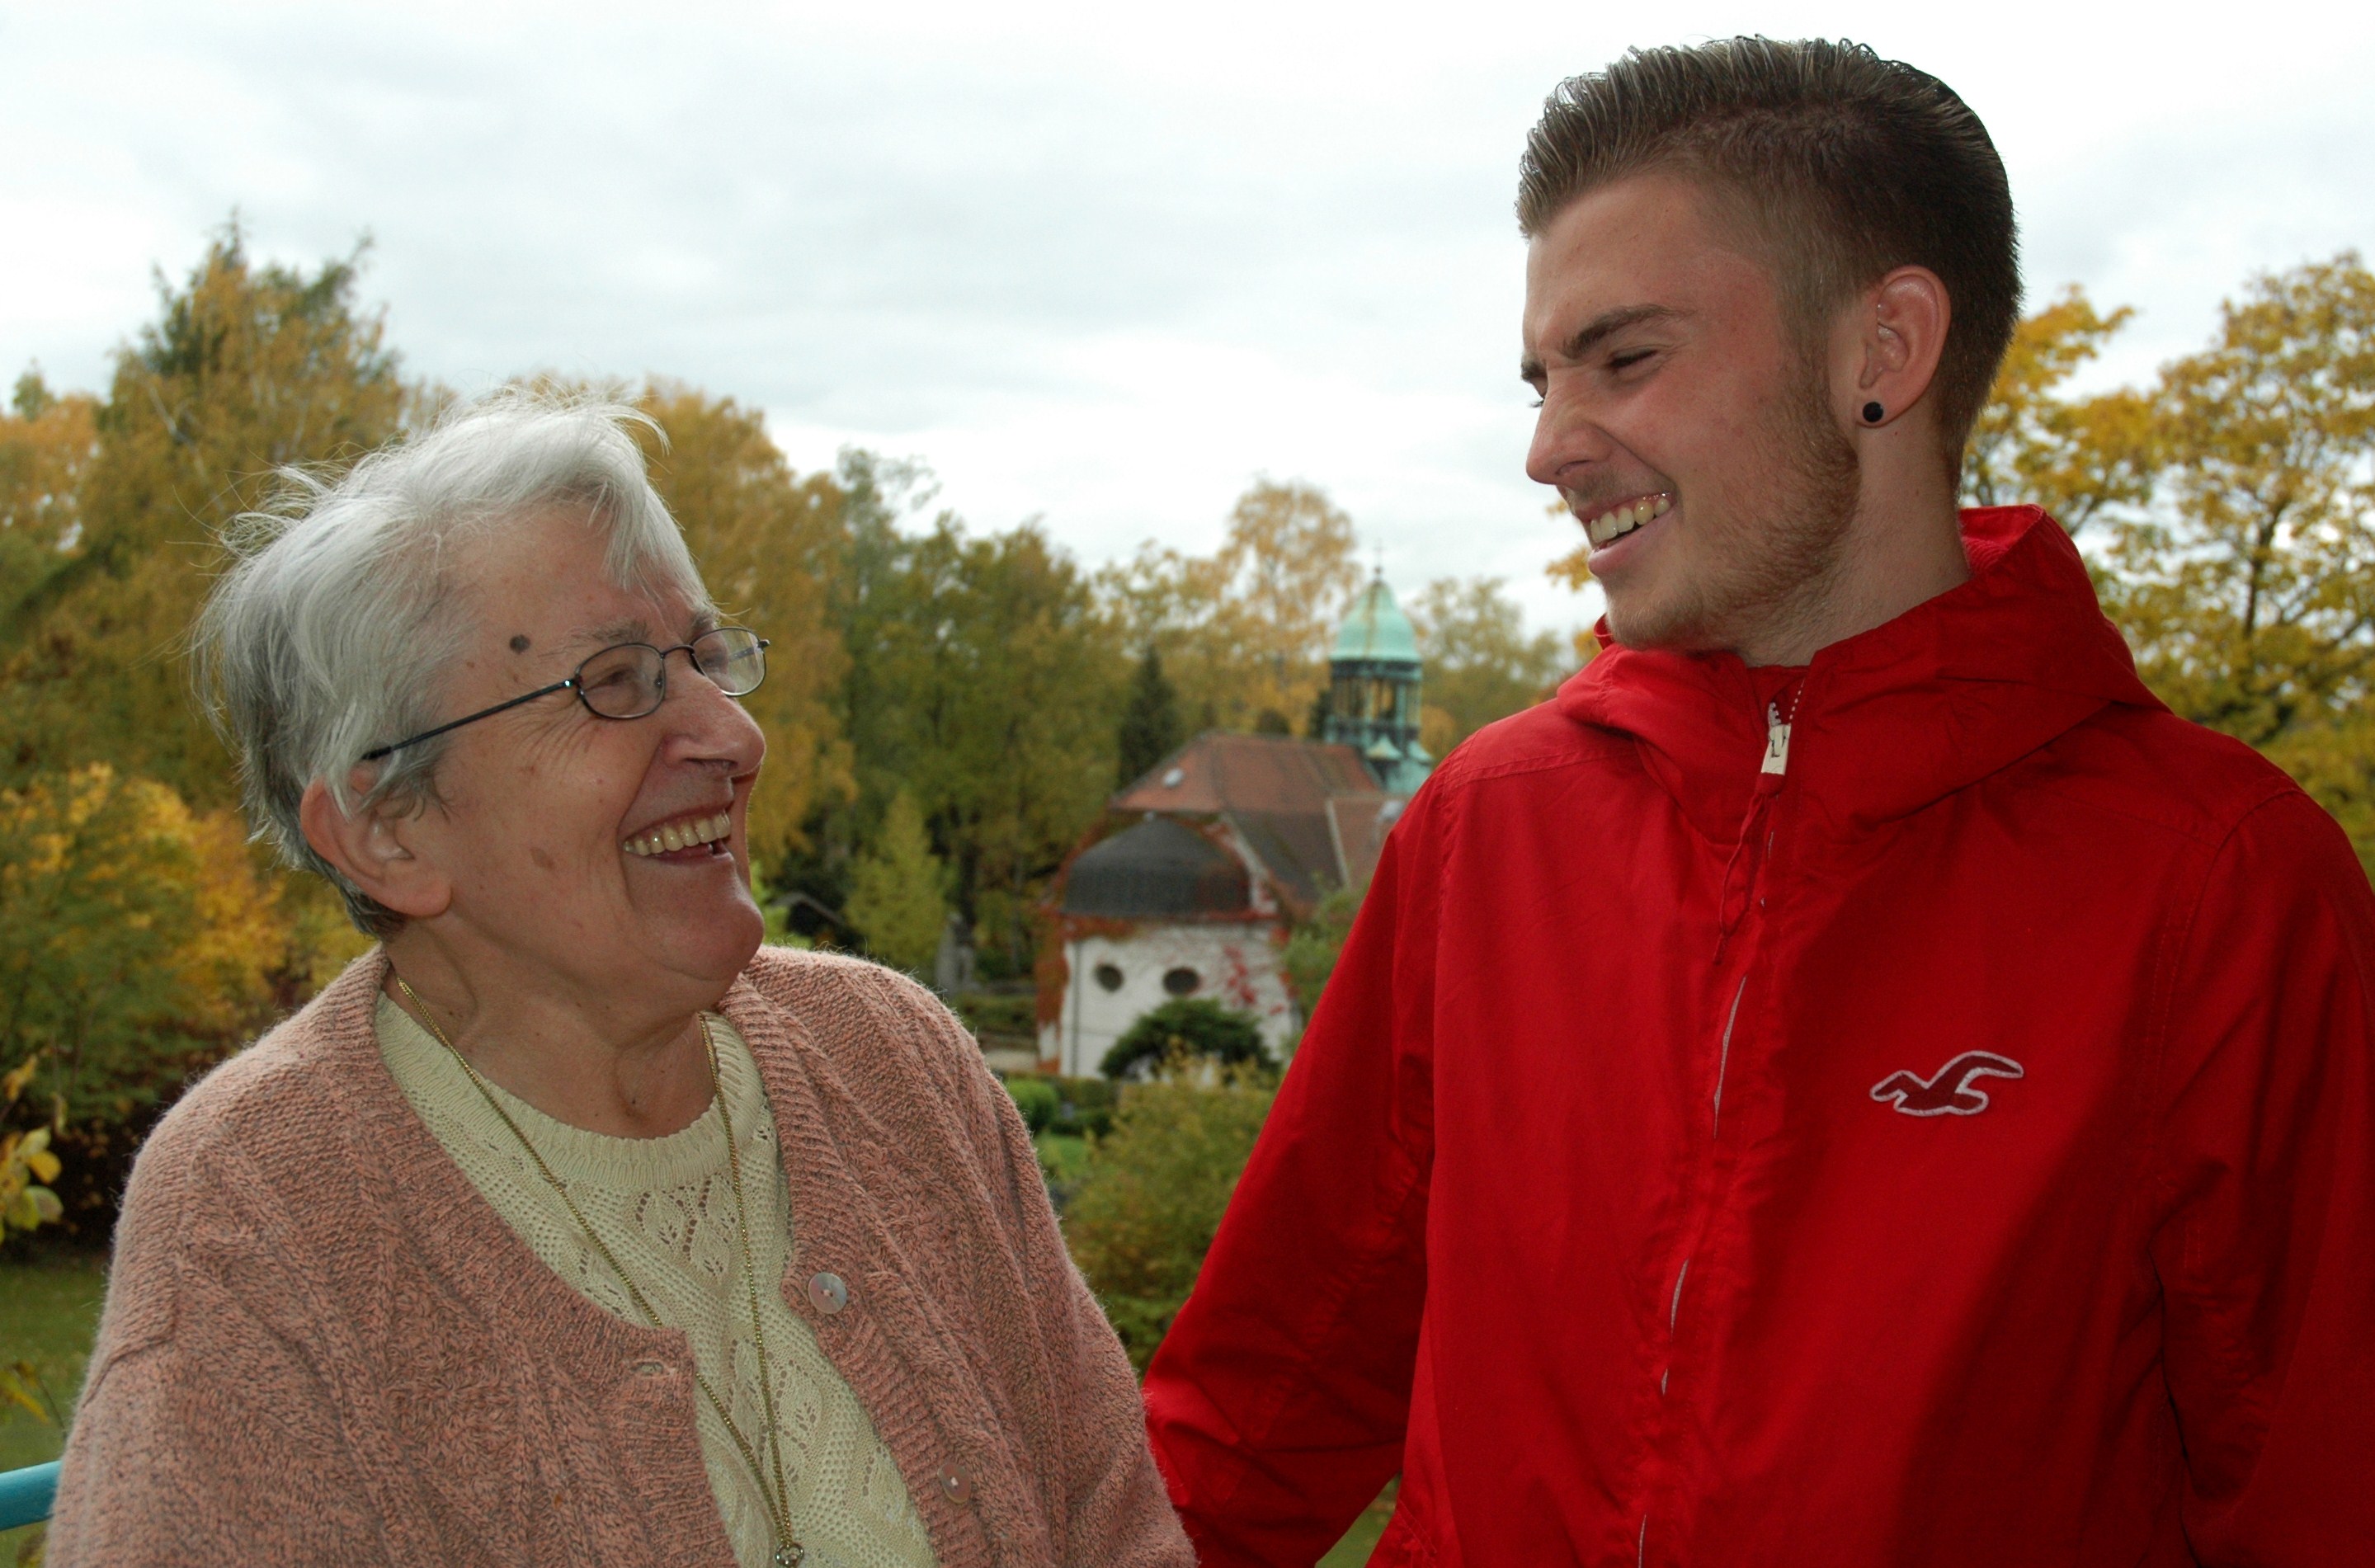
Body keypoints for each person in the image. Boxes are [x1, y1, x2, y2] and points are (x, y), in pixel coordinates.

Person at [1143, 37, 2375, 1567]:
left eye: (1625, 357)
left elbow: (2321, 1492)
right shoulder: (1487, 825)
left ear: (1884, 350)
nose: (1547, 447)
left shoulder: (2223, 886)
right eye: (1543, 380)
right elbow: (1258, 1406)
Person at [47, 392, 1192, 1568]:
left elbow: (1120, 1532)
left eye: (705, 658)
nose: (733, 736)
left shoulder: (896, 1064)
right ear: (389, 829)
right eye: (615, 681)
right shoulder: (258, 1219)